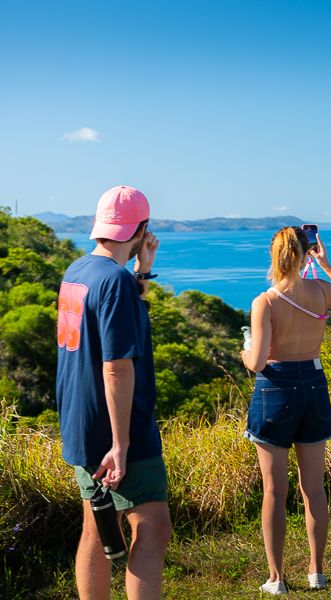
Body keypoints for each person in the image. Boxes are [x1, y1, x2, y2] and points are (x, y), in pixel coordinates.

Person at [56, 185, 172, 599]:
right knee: (153, 527)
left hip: (80, 421)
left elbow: (107, 316)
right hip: (118, 428)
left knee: (97, 524)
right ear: (141, 229)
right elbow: (116, 367)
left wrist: (142, 272)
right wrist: (121, 445)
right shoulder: (116, 282)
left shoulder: (79, 272)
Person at [241, 226, 331, 594]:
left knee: (274, 491)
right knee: (313, 488)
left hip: (275, 390)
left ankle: (276, 578)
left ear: (274, 255)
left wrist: (244, 351)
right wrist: (326, 265)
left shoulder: (265, 301)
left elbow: (258, 362)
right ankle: (316, 572)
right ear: (306, 253)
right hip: (313, 385)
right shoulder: (321, 290)